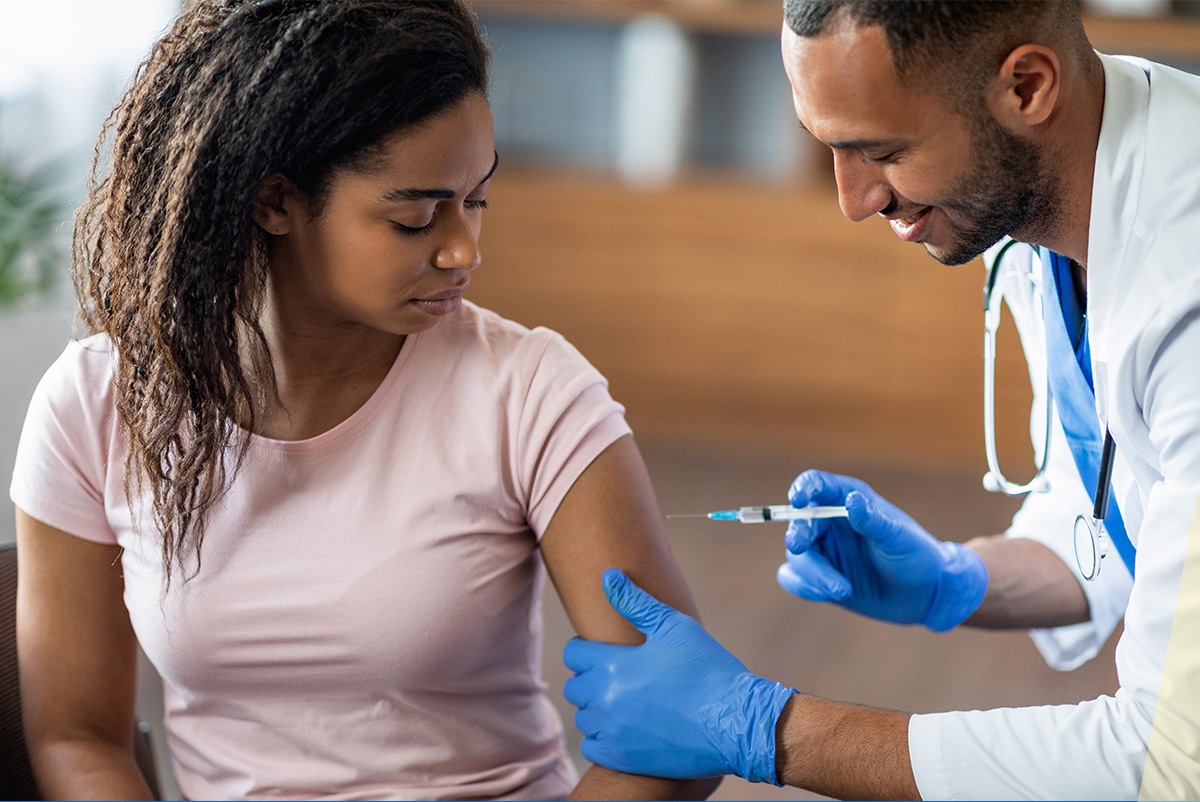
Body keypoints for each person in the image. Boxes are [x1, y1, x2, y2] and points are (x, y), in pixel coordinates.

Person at [9, 1, 719, 799]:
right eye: (416, 218)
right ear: (274, 202)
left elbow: (681, 730)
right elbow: (76, 735)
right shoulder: (97, 403)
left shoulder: (532, 393)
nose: (464, 250)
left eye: (476, 199)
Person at [561, 1, 1200, 798]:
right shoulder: (1065, 196)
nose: (855, 200)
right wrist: (954, 580)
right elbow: (1114, 531)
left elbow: (1167, 760)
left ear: (1029, 87)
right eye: (828, 148)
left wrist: (762, 725)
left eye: (883, 151)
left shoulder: (1186, 281)